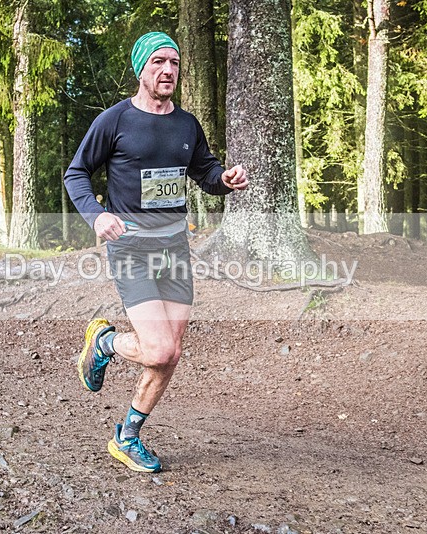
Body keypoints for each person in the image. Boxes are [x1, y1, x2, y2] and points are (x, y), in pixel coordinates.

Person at [64, 31, 248, 472]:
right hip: (131, 247)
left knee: (172, 351)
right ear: (141, 69)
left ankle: (126, 437)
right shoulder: (114, 121)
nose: (168, 71)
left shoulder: (186, 125)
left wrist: (224, 180)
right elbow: (76, 174)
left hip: (174, 250)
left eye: (175, 63)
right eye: (158, 63)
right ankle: (103, 342)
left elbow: (204, 171)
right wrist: (97, 215)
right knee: (159, 349)